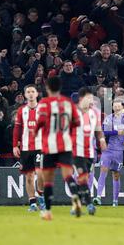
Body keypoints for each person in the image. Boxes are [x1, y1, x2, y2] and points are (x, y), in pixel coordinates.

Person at [35, 76, 81, 220]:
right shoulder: (68, 103)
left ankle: (48, 212)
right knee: (68, 175)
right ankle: (75, 198)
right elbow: (77, 122)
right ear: (60, 88)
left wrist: (35, 132)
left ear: (48, 88)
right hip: (66, 144)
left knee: (48, 180)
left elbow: (40, 122)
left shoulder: (43, 103)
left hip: (49, 145)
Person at [71, 87, 107, 215]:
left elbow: (98, 130)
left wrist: (102, 140)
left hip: (90, 152)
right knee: (81, 176)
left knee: (84, 178)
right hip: (76, 151)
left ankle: (77, 204)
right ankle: (90, 204)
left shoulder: (94, 113)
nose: (91, 101)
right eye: (89, 98)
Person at [12, 84, 45, 212]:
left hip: (40, 147)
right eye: (28, 92)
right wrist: (15, 145)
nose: (31, 94)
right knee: (29, 176)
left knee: (40, 172)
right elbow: (17, 129)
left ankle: (40, 194)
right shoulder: (21, 110)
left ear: (37, 94)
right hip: (26, 148)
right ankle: (32, 202)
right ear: (25, 95)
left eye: (33, 91)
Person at [93, 98, 124, 207]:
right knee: (103, 171)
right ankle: (98, 197)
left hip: (119, 150)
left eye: (118, 106)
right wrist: (117, 131)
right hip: (108, 150)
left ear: (123, 107)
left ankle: (115, 201)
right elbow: (104, 131)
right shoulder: (109, 118)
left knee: (116, 175)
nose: (116, 108)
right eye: (114, 106)